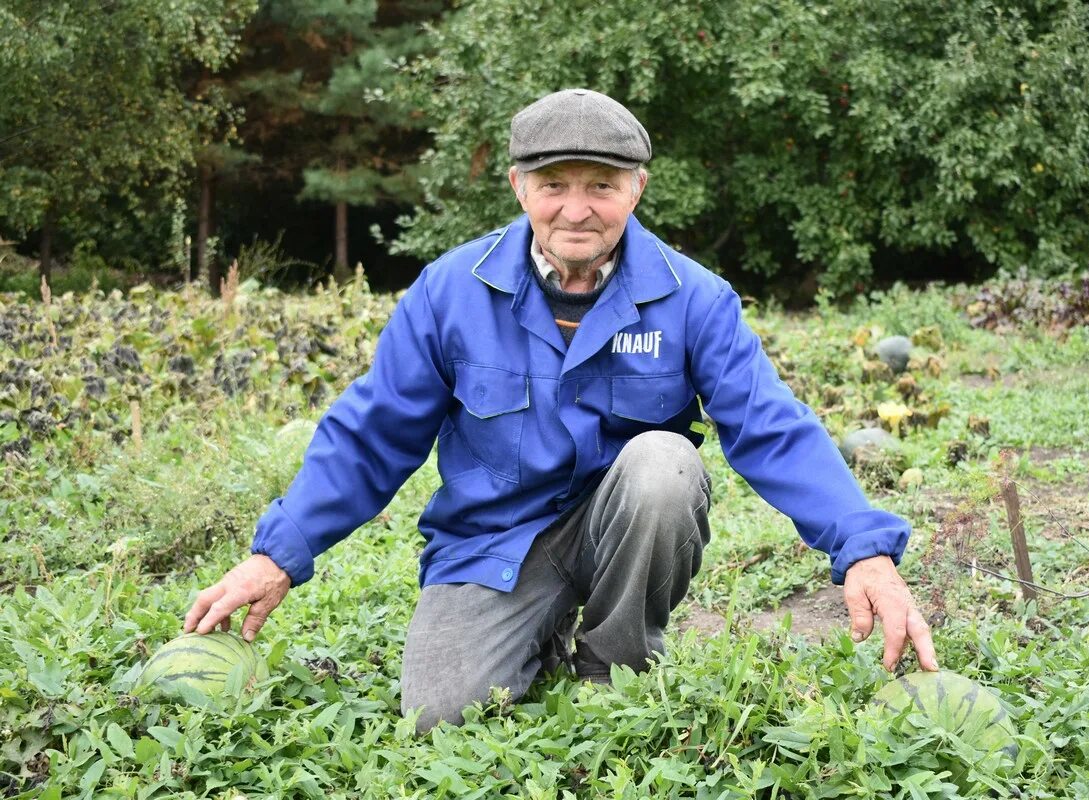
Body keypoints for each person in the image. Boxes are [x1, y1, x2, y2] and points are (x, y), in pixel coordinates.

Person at [184, 88, 938, 732]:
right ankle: (536, 632)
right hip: (494, 541)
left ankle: (615, 666)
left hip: (624, 522)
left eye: (602, 185)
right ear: (519, 186)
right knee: (439, 715)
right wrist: (277, 554)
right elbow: (372, 435)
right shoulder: (451, 291)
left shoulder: (693, 298)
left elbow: (772, 427)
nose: (577, 209)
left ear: (636, 189)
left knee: (664, 465)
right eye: (554, 185)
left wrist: (863, 548)